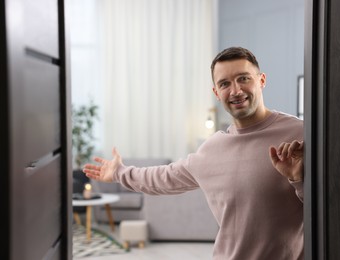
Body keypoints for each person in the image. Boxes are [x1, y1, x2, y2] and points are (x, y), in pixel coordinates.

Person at [83, 46, 304, 260]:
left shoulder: (299, 133)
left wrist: (298, 179)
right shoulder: (212, 150)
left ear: (261, 80)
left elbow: (328, 205)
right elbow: (162, 178)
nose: (235, 90)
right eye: (224, 83)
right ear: (216, 92)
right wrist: (119, 172)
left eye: (244, 78)